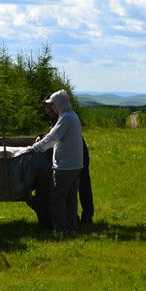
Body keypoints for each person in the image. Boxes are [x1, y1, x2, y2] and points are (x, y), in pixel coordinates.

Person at [28, 90, 83, 234]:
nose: (52, 107)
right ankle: (72, 228)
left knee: (57, 199)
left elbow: (52, 138)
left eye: (53, 104)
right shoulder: (73, 116)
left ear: (59, 103)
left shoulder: (65, 118)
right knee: (71, 200)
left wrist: (35, 148)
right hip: (76, 165)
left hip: (65, 166)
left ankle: (60, 230)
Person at [39, 97, 94, 226]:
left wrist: (38, 145)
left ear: (56, 105)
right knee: (71, 192)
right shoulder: (62, 116)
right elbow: (52, 132)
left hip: (77, 154)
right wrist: (42, 136)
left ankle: (86, 216)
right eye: (46, 108)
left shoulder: (64, 117)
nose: (48, 110)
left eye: (50, 107)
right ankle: (73, 220)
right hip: (75, 153)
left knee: (83, 185)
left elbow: (54, 136)